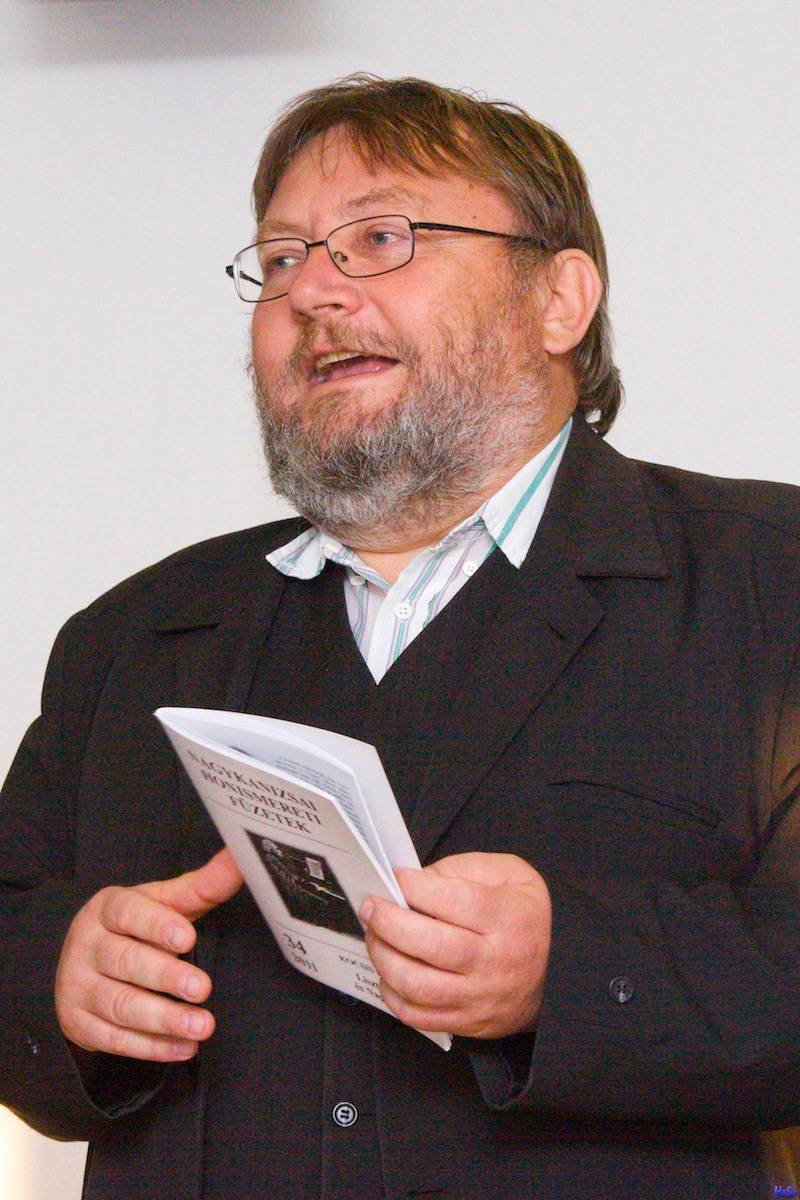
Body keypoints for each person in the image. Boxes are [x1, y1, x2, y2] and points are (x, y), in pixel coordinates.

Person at [1, 74, 799, 1200]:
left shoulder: (767, 583)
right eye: (281, 258)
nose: (312, 292)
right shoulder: (130, 635)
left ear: (558, 299)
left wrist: (573, 972)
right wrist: (58, 980)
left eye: (380, 238)